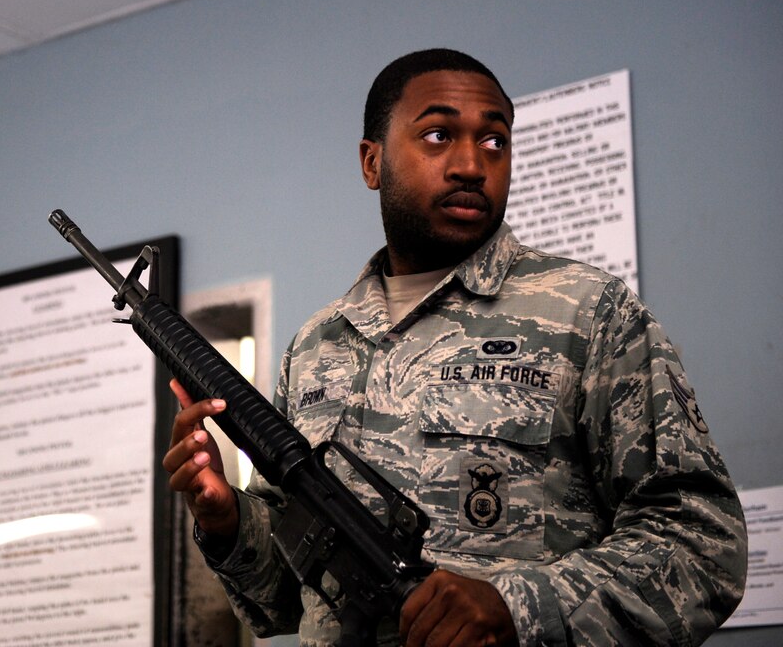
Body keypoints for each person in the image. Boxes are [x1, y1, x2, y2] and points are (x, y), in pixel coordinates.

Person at [163, 49, 747, 646]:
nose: (471, 163)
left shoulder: (587, 312)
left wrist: (517, 609)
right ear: (372, 161)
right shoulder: (316, 345)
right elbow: (287, 597)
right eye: (439, 135)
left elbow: (701, 547)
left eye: (495, 142)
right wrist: (225, 520)